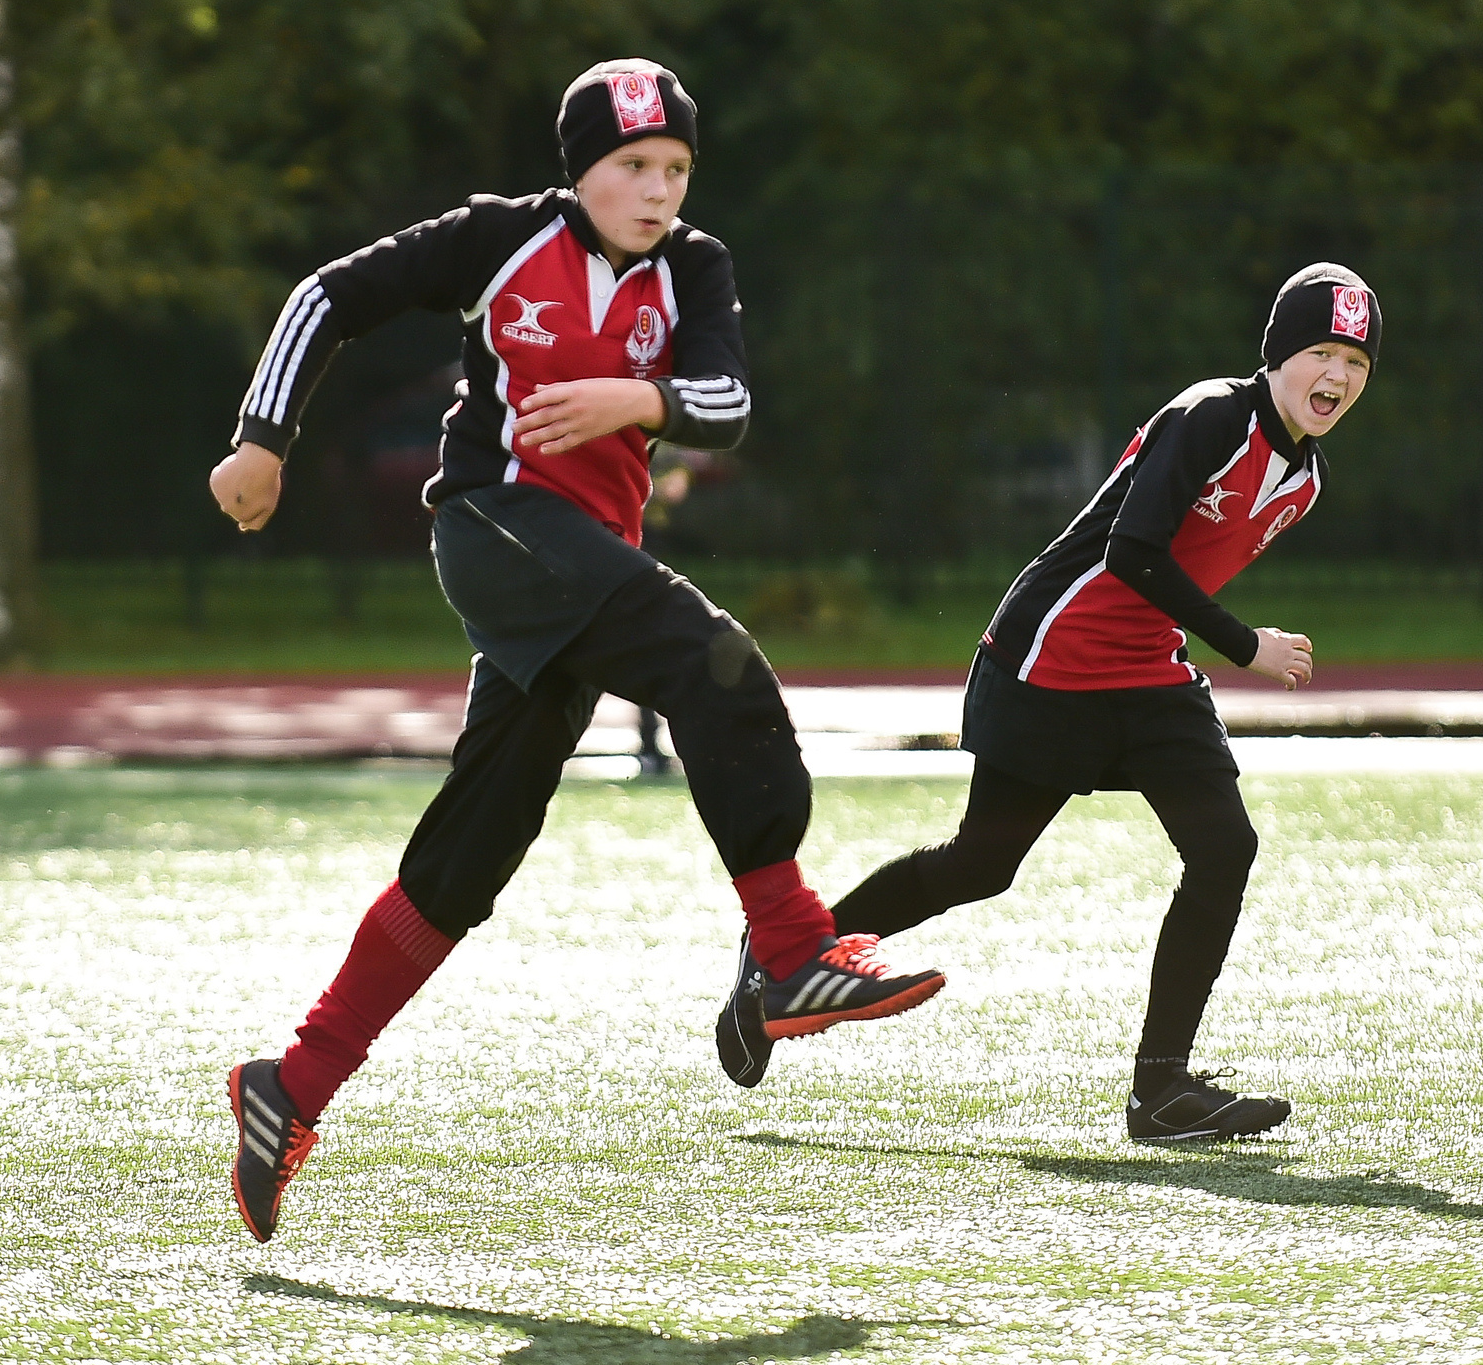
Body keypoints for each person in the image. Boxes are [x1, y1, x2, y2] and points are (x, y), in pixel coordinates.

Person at [208, 60, 943, 1242]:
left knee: (467, 860)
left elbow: (727, 400)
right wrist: (261, 440)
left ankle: (292, 1084)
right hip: (495, 530)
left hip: (576, 570)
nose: (656, 191)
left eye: (675, 170)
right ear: (580, 171)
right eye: (632, 168)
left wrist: (630, 401)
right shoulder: (499, 239)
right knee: (722, 670)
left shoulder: (694, 267)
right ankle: (792, 949)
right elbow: (325, 298)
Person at [718, 263, 1377, 1140]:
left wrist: (1203, 643)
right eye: (1322, 352)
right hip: (1052, 659)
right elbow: (1134, 554)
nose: (1337, 376)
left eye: (1357, 364)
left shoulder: (1307, 481)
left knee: (1226, 847)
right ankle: (783, 957)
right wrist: (1246, 643)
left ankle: (1161, 1091)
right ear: (1280, 354)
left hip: (1149, 673)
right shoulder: (1213, 414)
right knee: (981, 865)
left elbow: (1168, 585)